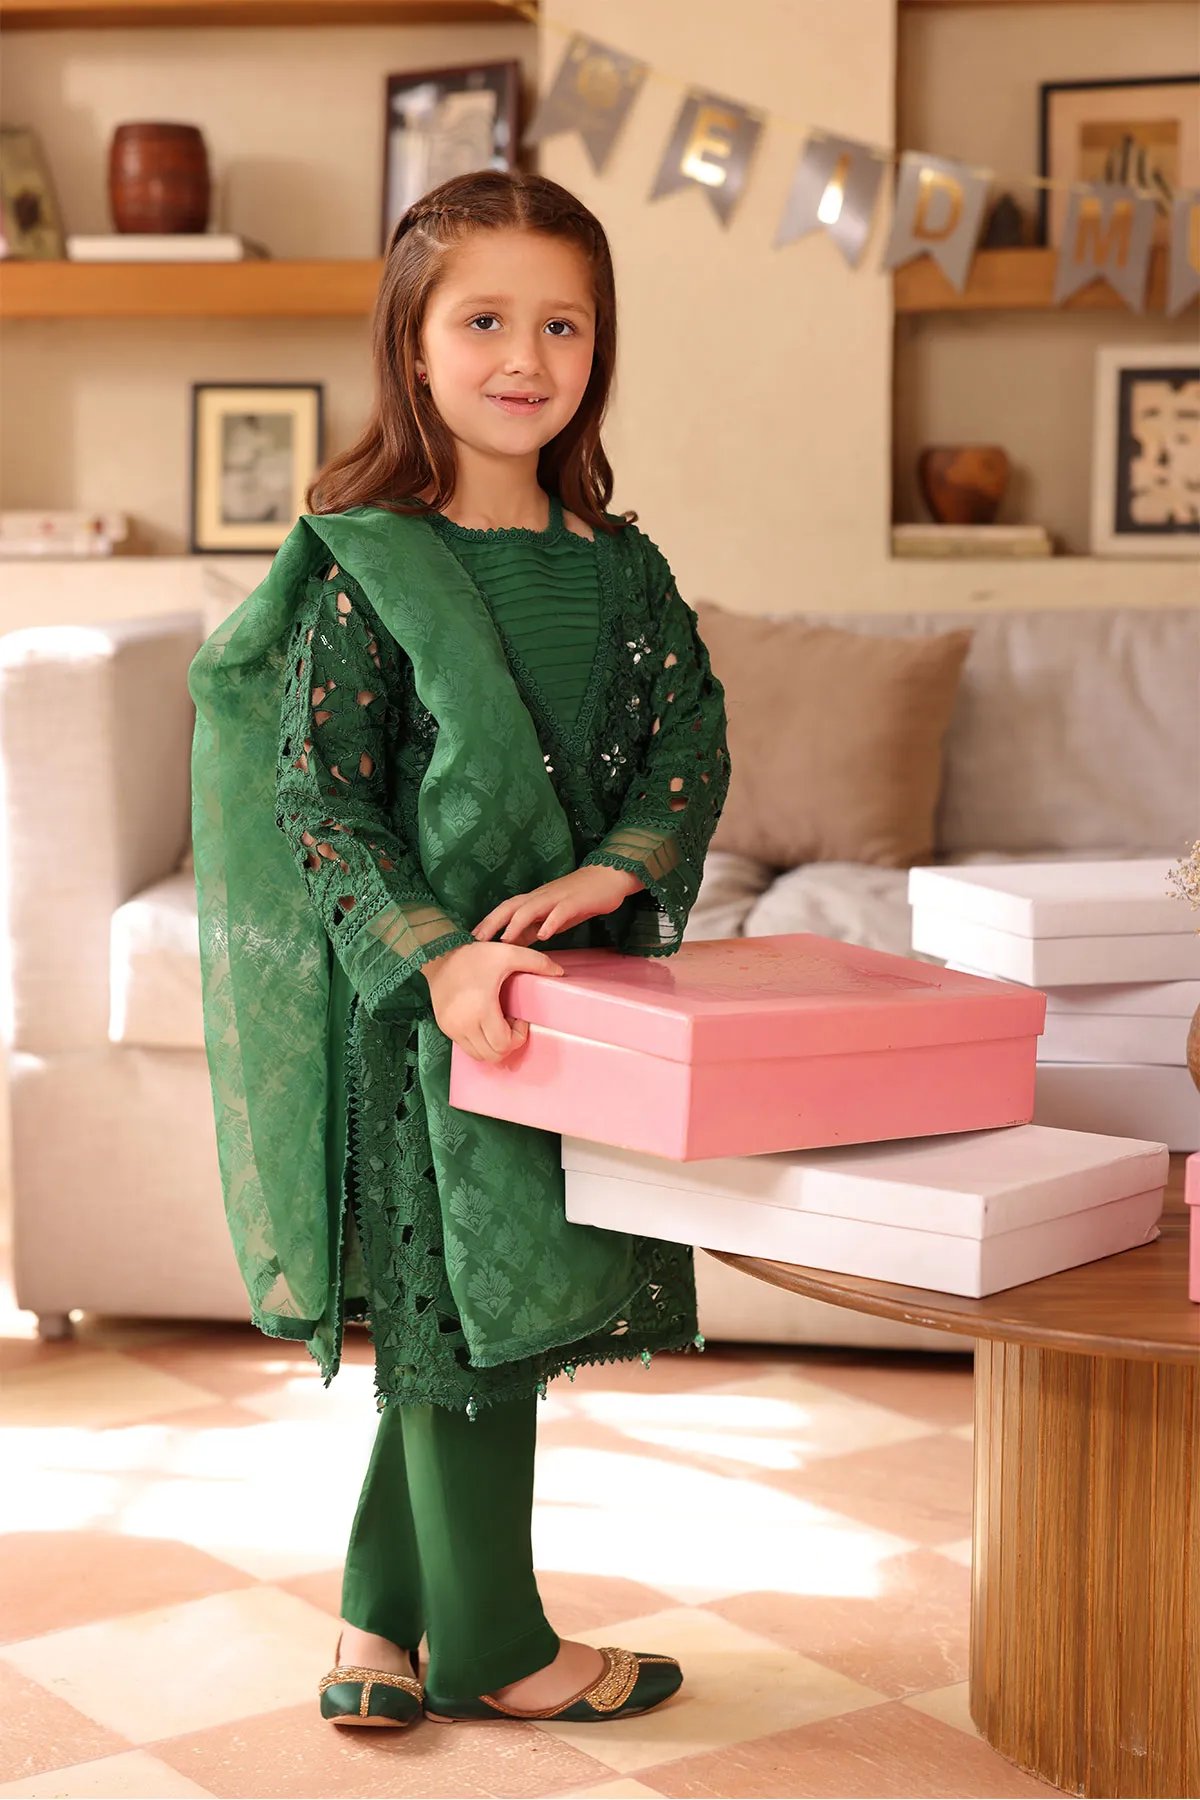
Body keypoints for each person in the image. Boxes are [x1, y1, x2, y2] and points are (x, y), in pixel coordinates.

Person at [188, 166, 730, 1731]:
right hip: (428, 1010)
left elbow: (687, 743)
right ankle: (500, 1650)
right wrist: (438, 959)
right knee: (460, 1309)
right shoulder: (369, 564)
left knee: (470, 1312)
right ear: (412, 348)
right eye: (483, 320)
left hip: (574, 998)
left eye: (564, 324)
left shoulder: (621, 567)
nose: (525, 355)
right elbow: (322, 801)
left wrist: (616, 868)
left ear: (599, 348)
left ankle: (377, 1620)